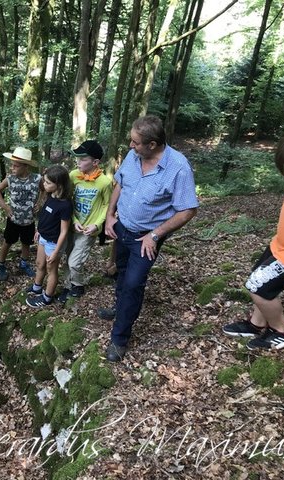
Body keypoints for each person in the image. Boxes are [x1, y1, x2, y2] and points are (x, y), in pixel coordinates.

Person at [100, 115, 199, 362]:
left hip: (146, 238)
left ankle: (119, 339)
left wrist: (155, 235)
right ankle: (119, 307)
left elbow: (188, 209)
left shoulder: (178, 168)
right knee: (122, 271)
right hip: (122, 227)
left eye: (135, 142)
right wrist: (110, 216)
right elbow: (120, 184)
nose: (131, 146)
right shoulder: (134, 156)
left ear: (152, 144)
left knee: (134, 284)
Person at [222, 127, 284, 350]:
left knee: (258, 287)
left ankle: (283, 331)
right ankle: (257, 324)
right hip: (281, 244)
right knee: (259, 280)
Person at [58, 140, 113, 302]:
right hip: (71, 225)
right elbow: (67, 199)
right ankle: (68, 286)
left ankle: (78, 285)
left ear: (95, 162)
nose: (78, 162)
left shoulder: (104, 182)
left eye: (83, 159)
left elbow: (107, 205)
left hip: (88, 230)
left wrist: (97, 224)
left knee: (74, 262)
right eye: (77, 158)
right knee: (68, 257)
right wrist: (74, 219)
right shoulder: (73, 175)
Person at [26, 165, 73, 308]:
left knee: (51, 269)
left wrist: (56, 251)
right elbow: (45, 217)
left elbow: (64, 231)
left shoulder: (65, 205)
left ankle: (47, 297)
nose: (44, 184)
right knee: (40, 264)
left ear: (59, 185)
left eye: (48, 182)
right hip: (43, 237)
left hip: (54, 242)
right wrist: (39, 230)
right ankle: (37, 287)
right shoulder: (50, 196)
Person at [0, 147, 41, 281]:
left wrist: (40, 202)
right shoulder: (10, 179)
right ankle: (1, 264)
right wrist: (6, 207)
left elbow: (45, 190)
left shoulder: (37, 179)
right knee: (8, 241)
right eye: (12, 165)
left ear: (26, 166)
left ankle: (24, 264)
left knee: (26, 242)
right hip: (13, 219)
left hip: (29, 220)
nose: (12, 168)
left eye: (16, 166)